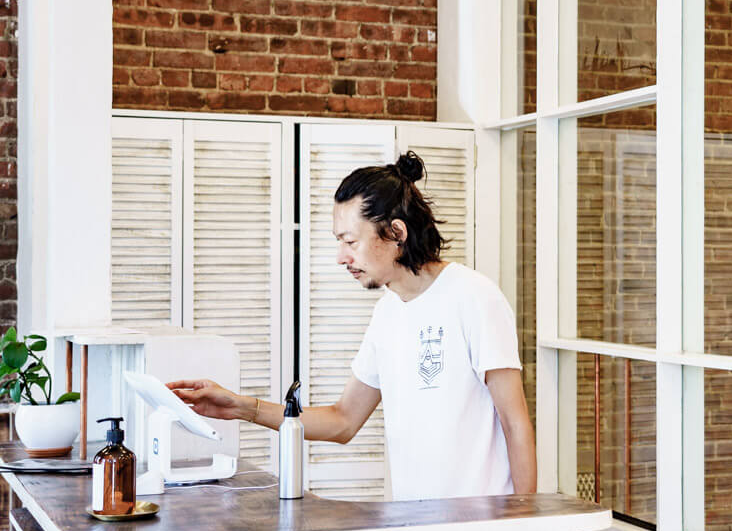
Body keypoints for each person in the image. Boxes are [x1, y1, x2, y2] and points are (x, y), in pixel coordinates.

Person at [168, 152, 536, 500]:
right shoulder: (387, 313)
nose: (341, 257)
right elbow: (343, 421)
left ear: (396, 233)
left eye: (350, 241)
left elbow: (515, 423)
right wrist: (239, 407)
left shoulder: (473, 296)